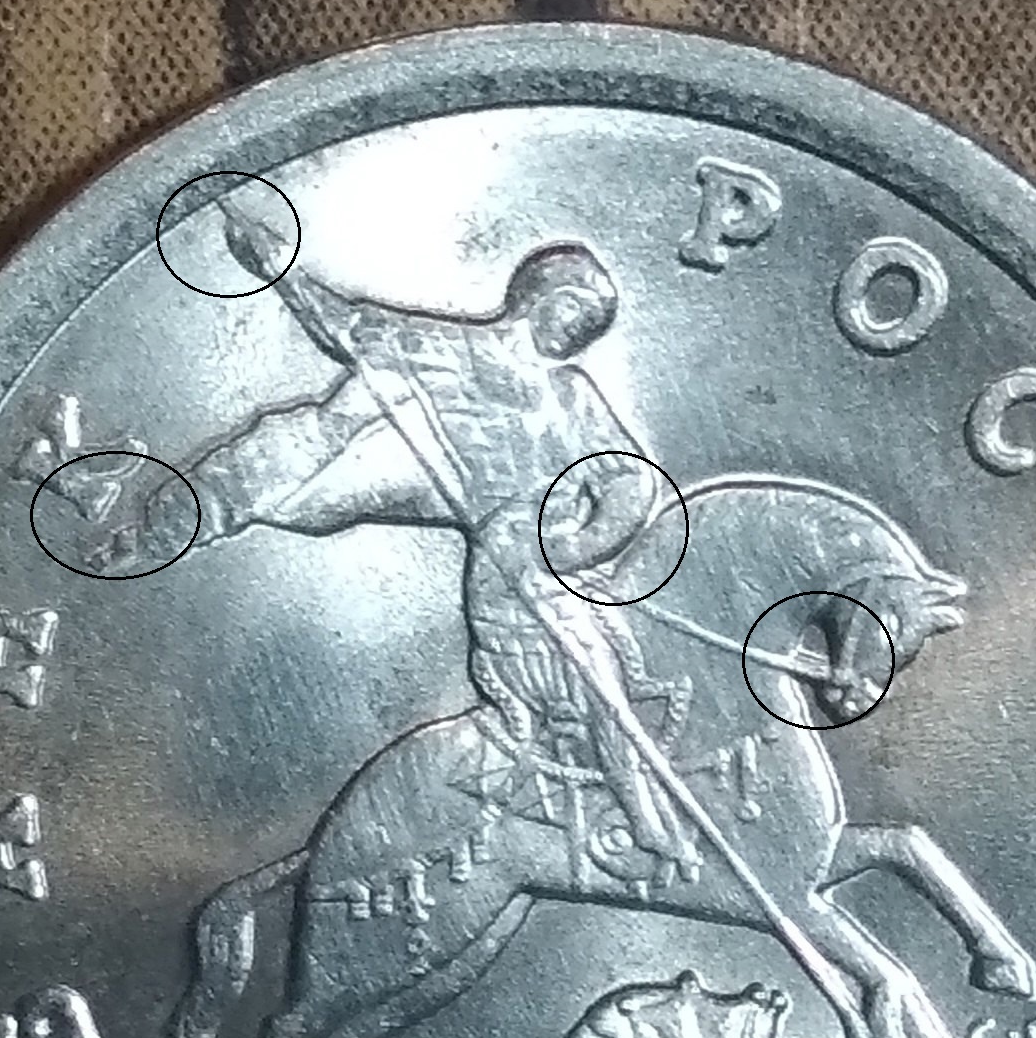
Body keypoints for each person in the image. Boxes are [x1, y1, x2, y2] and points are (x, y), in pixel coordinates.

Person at [126, 211, 699, 882]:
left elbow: (630, 476)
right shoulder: (440, 349)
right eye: (577, 309)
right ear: (540, 296)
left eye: (592, 322)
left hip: (559, 563)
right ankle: (644, 822)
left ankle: (620, 801)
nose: (580, 329)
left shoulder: (570, 392)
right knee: (600, 685)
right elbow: (343, 324)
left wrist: (578, 544)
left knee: (629, 663)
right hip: (507, 569)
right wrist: (278, 264)